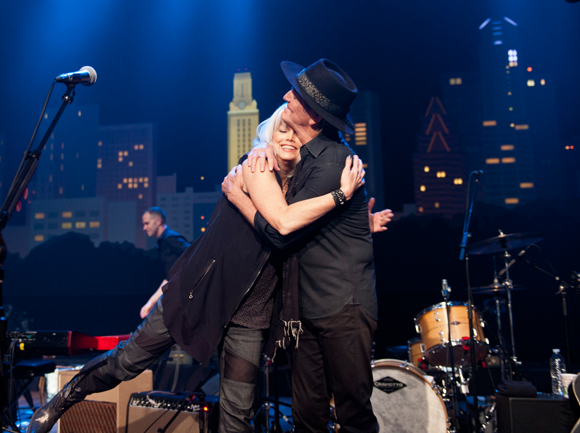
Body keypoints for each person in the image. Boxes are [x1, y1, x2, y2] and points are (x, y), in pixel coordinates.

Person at [28, 104, 366, 433]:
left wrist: (363, 219)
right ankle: (60, 401)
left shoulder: (301, 191)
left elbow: (301, 225)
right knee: (126, 363)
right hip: (198, 294)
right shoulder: (255, 165)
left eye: (295, 132)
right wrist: (341, 194)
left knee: (237, 417)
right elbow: (281, 223)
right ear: (267, 136)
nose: (289, 137)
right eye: (282, 129)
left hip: (251, 314)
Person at [224, 58, 380, 433]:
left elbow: (281, 229)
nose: (284, 96)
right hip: (306, 312)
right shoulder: (306, 160)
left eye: (294, 95)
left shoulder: (334, 164)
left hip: (343, 306)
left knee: (353, 413)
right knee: (307, 416)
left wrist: (239, 198)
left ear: (315, 116)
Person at [140, 207, 190, 319]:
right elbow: (169, 278)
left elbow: (194, 254)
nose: (144, 228)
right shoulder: (162, 243)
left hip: (186, 297)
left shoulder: (170, 238)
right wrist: (150, 303)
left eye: (147, 223)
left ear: (158, 221)